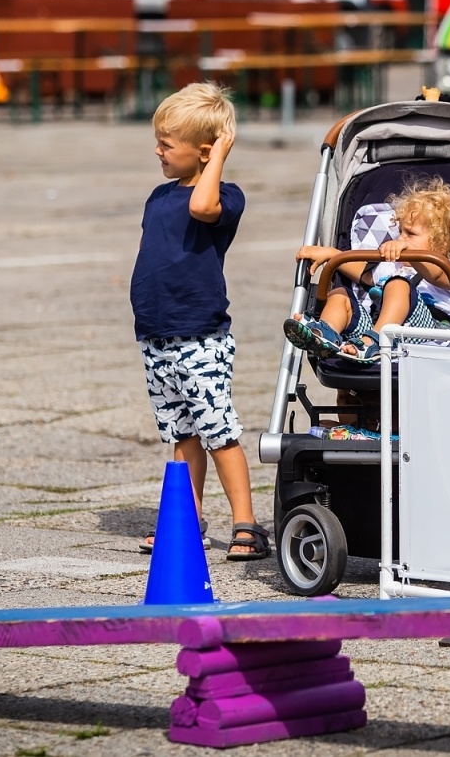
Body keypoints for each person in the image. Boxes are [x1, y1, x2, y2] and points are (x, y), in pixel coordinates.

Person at [131, 83, 266, 561]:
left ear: (205, 152)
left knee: (218, 432)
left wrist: (218, 160)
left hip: (200, 338)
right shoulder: (158, 197)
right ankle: (185, 521)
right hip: (157, 336)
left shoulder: (225, 196)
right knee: (181, 434)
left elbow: (201, 207)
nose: (158, 151)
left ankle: (246, 524)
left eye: (167, 144)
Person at [286, 177, 450, 362]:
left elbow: (437, 274)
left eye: (410, 234)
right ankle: (325, 335)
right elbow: (364, 274)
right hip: (376, 328)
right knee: (340, 294)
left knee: (398, 284)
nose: (400, 238)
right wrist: (332, 255)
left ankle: (376, 340)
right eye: (400, 231)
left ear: (442, 243)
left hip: (427, 334)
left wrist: (411, 252)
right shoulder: (393, 266)